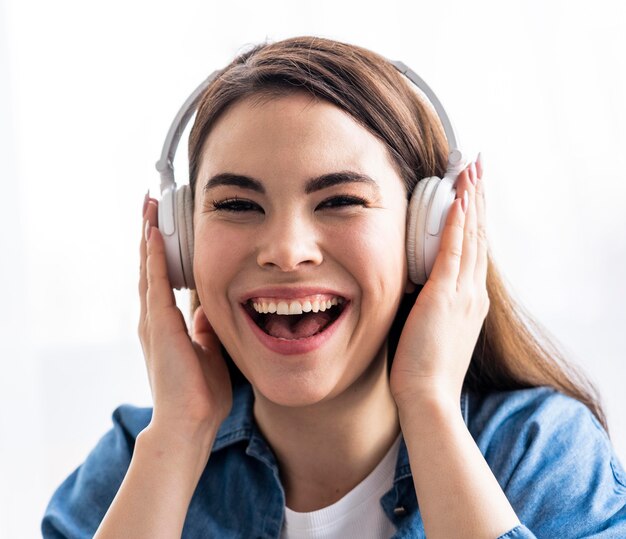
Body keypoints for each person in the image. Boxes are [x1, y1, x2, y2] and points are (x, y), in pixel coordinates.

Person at [42, 36, 626, 538]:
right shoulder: (136, 459)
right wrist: (178, 438)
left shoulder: (540, 452)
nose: (287, 252)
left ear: (427, 234)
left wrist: (430, 408)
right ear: (181, 247)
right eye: (237, 204)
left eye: (341, 201)